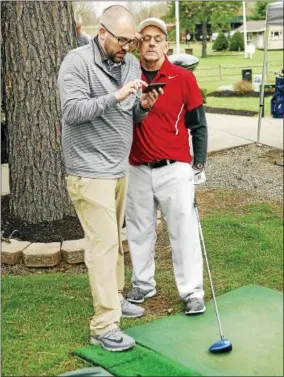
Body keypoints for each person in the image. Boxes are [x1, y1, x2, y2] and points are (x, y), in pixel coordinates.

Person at [57, 6, 161, 352]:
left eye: (131, 40)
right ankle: (103, 325)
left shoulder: (129, 63)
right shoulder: (77, 62)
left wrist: (142, 105)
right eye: (123, 40)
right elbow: (72, 111)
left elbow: (131, 114)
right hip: (88, 171)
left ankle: (116, 298)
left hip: (118, 169)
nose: (128, 47)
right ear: (102, 32)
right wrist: (115, 95)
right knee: (102, 247)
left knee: (114, 242)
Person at [125, 17, 208, 316]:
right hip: (136, 166)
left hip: (175, 168)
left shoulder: (183, 78)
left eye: (157, 38)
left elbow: (198, 124)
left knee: (183, 229)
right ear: (137, 43)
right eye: (145, 37)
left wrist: (198, 162)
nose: (151, 43)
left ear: (167, 45)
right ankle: (143, 284)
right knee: (139, 229)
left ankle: (192, 291)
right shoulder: (128, 75)